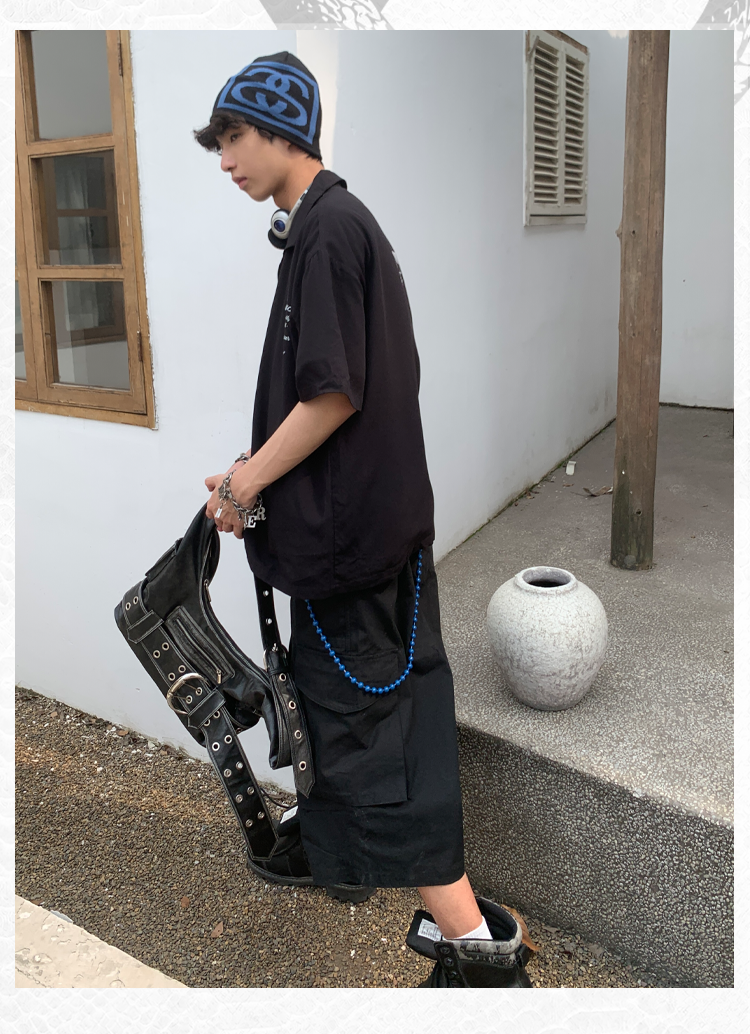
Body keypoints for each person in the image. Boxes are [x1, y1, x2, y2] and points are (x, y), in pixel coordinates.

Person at [194, 51, 532, 988]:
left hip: (352, 556)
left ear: (284, 130)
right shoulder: (329, 228)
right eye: (218, 141)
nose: (224, 158)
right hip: (368, 544)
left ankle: (482, 962)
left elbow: (333, 395)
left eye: (234, 136)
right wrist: (253, 475)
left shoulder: (329, 233)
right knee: (381, 739)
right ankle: (458, 934)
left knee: (374, 750)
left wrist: (246, 486)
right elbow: (333, 398)